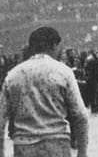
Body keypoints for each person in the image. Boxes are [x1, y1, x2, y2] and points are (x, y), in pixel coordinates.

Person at [0, 27, 89, 157]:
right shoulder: (63, 72)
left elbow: (1, 119)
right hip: (57, 144)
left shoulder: (13, 76)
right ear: (54, 45)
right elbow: (80, 116)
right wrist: (82, 152)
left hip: (24, 146)